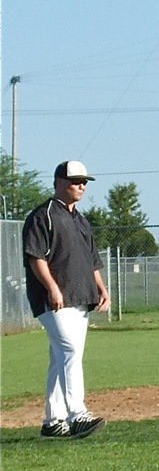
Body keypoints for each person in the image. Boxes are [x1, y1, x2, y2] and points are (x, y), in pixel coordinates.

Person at [22, 160, 110, 439]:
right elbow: (36, 256)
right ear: (59, 182)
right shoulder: (43, 216)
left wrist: (101, 287)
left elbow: (92, 260)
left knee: (62, 357)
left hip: (80, 297)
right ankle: (78, 414)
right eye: (75, 181)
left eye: (84, 181)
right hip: (54, 300)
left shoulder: (80, 220)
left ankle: (53, 421)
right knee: (69, 352)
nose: (81, 186)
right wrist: (52, 288)